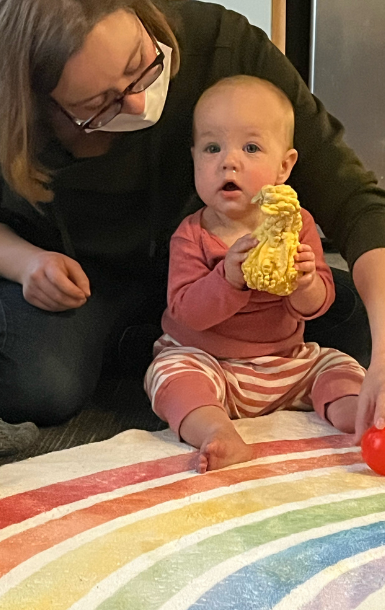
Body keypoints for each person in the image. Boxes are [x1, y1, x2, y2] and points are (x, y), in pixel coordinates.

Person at [0, 0, 385, 449]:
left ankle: (140, 357)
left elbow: (355, 201)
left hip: (250, 325)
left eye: (140, 66)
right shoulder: (192, 233)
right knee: (43, 384)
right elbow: (190, 306)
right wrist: (24, 262)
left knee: (361, 319)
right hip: (85, 285)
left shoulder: (224, 46)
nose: (137, 101)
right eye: (99, 105)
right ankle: (167, 375)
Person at [143, 76, 368, 472]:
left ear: (284, 166)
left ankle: (357, 416)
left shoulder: (297, 224)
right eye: (212, 148)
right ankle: (216, 431)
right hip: (209, 361)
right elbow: (186, 312)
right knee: (168, 374)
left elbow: (316, 305)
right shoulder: (192, 234)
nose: (229, 161)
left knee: (339, 365)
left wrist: (305, 284)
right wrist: (227, 278)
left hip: (285, 362)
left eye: (250, 148)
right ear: (194, 159)